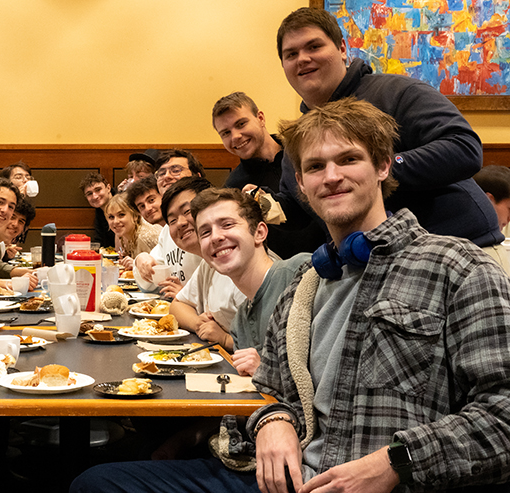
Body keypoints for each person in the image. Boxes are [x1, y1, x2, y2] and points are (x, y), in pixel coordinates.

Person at [72, 97, 510, 493]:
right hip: (280, 478)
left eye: (349, 159)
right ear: (300, 183)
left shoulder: (457, 267)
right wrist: (273, 420)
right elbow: (266, 392)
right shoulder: (307, 284)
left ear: (382, 166)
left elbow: (502, 415)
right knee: (96, 483)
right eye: (316, 167)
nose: (332, 177)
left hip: (394, 482)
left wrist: (397, 462)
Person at [265, 7, 502, 259]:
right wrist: (260, 204)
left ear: (342, 49)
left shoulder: (398, 92)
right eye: (291, 54)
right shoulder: (297, 136)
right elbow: (298, 210)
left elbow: (464, 148)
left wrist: (376, 171)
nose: (302, 58)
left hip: (465, 250)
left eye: (313, 47)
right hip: (373, 268)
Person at [190, 187, 309, 374]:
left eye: (227, 225)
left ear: (260, 233)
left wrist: (266, 369)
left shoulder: (301, 274)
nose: (215, 237)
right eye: (205, 232)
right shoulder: (239, 324)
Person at [213, 91, 324, 258]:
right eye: (226, 133)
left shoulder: (303, 152)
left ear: (260, 118)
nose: (235, 136)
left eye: (241, 124)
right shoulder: (233, 188)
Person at [163, 177, 245, 336]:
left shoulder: (240, 260)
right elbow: (177, 305)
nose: (180, 223)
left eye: (187, 211)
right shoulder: (209, 263)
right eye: (172, 220)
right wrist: (200, 325)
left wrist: (224, 339)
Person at [133, 150, 207, 297]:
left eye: (176, 170)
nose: (166, 176)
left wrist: (186, 296)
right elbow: (150, 281)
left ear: (197, 177)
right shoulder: (168, 229)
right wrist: (140, 259)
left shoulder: (211, 220)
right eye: (161, 173)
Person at [104, 194, 161, 271]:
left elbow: (159, 270)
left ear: (135, 216)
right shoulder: (125, 234)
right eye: (111, 217)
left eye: (121, 215)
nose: (115, 221)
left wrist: (135, 264)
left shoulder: (145, 236)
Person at [79, 172, 116, 249]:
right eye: (89, 194)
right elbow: (100, 241)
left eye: (98, 190)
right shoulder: (99, 211)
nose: (95, 196)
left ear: (108, 188)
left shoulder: (124, 203)